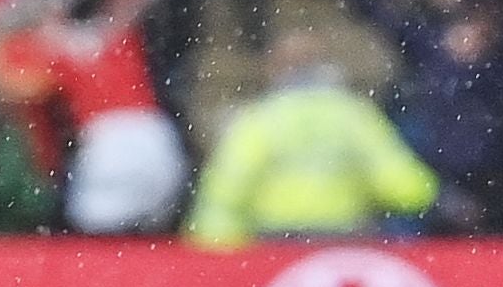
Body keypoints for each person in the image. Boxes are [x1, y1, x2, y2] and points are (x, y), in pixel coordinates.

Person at [181, 31, 441, 248]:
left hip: (274, 242)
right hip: (343, 241)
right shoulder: (353, 116)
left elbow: (225, 190)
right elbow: (406, 187)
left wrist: (213, 252)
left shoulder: (262, 119)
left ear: (274, 68)